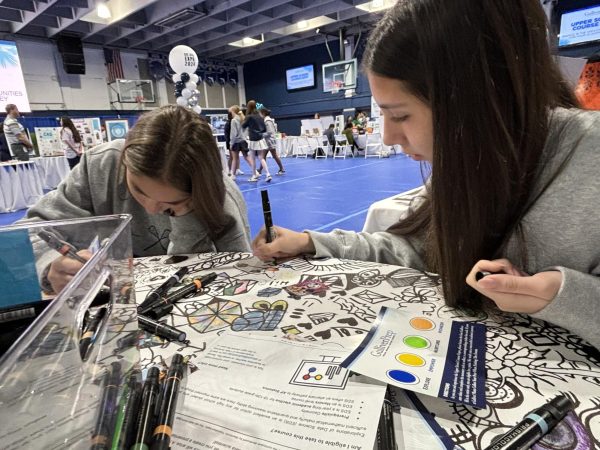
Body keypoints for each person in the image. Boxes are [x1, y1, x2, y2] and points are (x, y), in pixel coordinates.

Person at [253, 0, 600, 350]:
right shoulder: (468, 158)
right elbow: (415, 248)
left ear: (473, 98)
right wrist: (311, 243)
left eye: (400, 116)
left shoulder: (590, 156)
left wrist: (559, 293)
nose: (388, 137)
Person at [23, 105, 252, 294]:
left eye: (170, 206)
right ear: (125, 160)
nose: (151, 208)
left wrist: (187, 217)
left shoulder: (223, 197)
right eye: (139, 190)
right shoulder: (101, 166)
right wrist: (51, 264)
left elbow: (240, 278)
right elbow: (31, 231)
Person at [242, 100, 270, 182]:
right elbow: (264, 129)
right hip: (260, 138)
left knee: (253, 158)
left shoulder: (249, 116)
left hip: (253, 139)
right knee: (261, 158)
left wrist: (242, 117)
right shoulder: (260, 116)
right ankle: (268, 174)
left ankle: (254, 176)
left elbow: (243, 126)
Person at [228, 104, 257, 181]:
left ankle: (233, 175)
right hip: (243, 141)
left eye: (230, 112)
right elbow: (246, 131)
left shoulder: (234, 120)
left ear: (233, 112)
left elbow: (233, 134)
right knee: (247, 157)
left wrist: (231, 143)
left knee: (234, 159)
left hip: (236, 142)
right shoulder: (242, 119)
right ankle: (255, 172)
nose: (230, 114)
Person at [259, 107, 285, 175]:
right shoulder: (267, 120)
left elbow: (269, 132)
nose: (260, 115)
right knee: (263, 156)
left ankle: (282, 169)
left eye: (260, 114)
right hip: (268, 141)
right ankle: (260, 170)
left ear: (263, 113)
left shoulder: (267, 121)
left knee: (274, 155)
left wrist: (261, 135)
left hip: (270, 141)